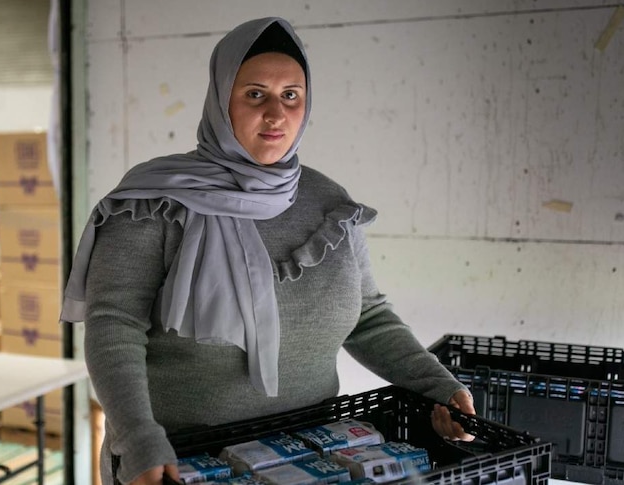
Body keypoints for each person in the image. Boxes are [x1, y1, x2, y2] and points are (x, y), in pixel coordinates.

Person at [62, 17, 475, 485]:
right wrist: (138, 438)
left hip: (312, 455)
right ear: (221, 100)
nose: (276, 114)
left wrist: (438, 386)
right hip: (180, 460)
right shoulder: (151, 203)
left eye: (291, 95)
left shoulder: (329, 203)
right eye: (255, 94)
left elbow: (370, 317)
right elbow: (114, 327)